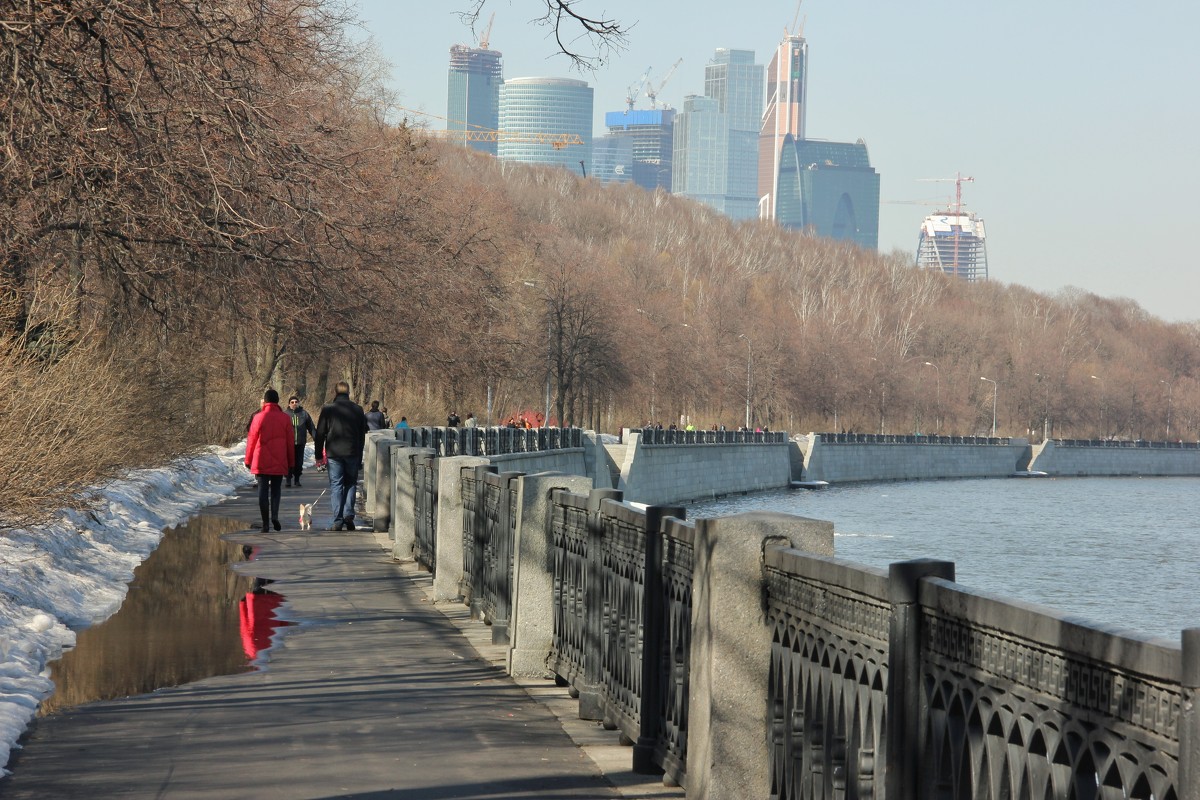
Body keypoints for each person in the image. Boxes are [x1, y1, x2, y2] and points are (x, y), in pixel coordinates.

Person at [313, 381, 368, 531]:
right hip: (352, 452)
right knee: (350, 483)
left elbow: (320, 433)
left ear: (335, 392)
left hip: (334, 453)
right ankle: (348, 514)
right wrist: (360, 451)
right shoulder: (358, 409)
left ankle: (337, 520)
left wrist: (319, 455)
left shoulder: (328, 409)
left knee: (336, 485)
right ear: (348, 392)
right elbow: (362, 433)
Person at [245, 388, 295, 533]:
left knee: (262, 490)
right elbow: (290, 443)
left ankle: (265, 523)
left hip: (261, 460)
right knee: (276, 490)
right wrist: (291, 463)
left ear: (265, 401)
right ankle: (275, 516)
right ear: (278, 401)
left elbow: (251, 440)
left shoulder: (258, 417)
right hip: (279, 459)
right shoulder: (285, 418)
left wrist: (248, 460)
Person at [285, 395, 315, 488]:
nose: (294, 404)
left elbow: (311, 427)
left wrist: (316, 438)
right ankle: (288, 479)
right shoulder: (285, 414)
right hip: (288, 443)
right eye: (292, 402)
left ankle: (297, 479)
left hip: (300, 442)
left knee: (299, 462)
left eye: (296, 402)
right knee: (289, 462)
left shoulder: (304, 414)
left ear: (299, 403)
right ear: (289, 404)